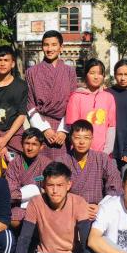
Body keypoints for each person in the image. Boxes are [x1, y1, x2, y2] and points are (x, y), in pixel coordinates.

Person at [11, 162, 111, 253]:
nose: (55, 190)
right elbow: (24, 238)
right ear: (43, 186)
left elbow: (85, 243)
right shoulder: (36, 203)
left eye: (60, 185)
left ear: (68, 185)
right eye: (50, 185)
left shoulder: (78, 202)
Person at [26, 30, 78, 159]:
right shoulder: (32, 72)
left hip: (64, 127)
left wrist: (64, 130)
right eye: (46, 45)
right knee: (41, 166)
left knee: (63, 166)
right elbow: (30, 103)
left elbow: (73, 103)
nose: (49, 49)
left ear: (61, 47)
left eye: (54, 45)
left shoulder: (69, 72)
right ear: (42, 46)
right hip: (41, 126)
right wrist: (44, 129)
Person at [58, 120, 122, 220]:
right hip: (70, 210)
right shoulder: (62, 161)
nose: (82, 142)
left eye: (86, 138)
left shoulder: (102, 159)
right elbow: (56, 189)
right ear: (70, 138)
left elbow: (115, 185)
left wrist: (102, 207)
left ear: (92, 139)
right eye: (77, 137)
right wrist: (76, 207)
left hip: (97, 211)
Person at [66, 58, 116, 155]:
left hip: (103, 153)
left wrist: (106, 151)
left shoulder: (109, 97)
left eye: (100, 73)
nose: (96, 77)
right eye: (92, 73)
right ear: (85, 75)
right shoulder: (76, 97)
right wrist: (83, 149)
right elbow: (72, 126)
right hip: (81, 151)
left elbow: (111, 126)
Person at [6, 128, 52, 228]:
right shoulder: (14, 164)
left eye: (34, 144)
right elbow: (10, 193)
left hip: (42, 205)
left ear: (41, 147)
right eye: (27, 143)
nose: (30, 148)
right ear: (21, 144)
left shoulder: (47, 164)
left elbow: (51, 189)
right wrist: (36, 190)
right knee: (13, 220)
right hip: (19, 205)